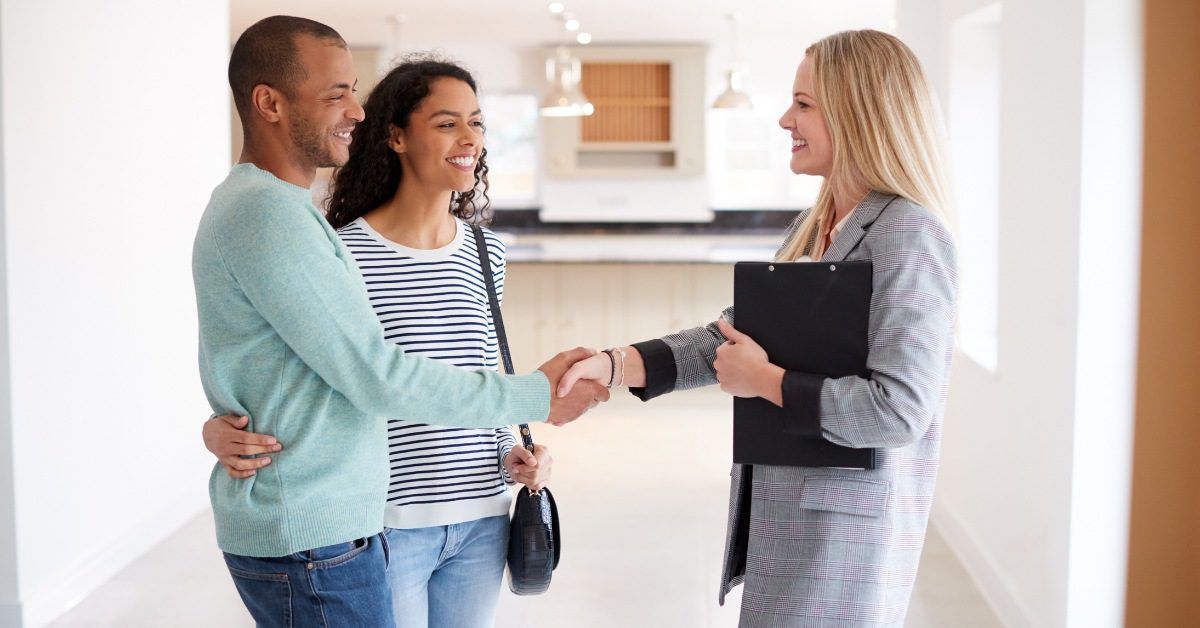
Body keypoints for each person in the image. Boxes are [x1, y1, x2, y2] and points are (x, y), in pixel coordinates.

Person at [195, 17, 606, 627]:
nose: (353, 111)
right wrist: (539, 392)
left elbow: (461, 368)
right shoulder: (296, 228)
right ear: (269, 103)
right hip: (372, 523)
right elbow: (372, 374)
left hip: (468, 515)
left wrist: (517, 443)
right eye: (336, 93)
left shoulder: (475, 250)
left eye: (476, 122)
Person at [559, 29, 957, 627]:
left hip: (841, 548)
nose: (783, 120)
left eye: (804, 104)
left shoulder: (908, 234)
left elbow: (899, 412)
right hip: (788, 524)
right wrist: (613, 365)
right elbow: (731, 339)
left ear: (859, 113)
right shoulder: (821, 222)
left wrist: (768, 381)